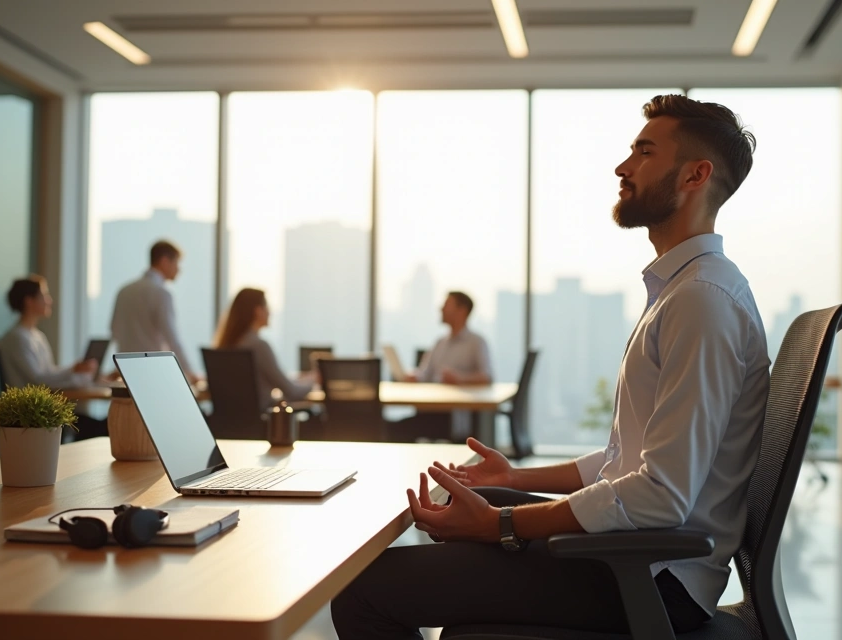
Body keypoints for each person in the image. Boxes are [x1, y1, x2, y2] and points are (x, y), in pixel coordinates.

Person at [332, 94, 770, 638]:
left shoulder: (702, 300)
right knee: (475, 502)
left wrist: (501, 524)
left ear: (694, 175)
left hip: (651, 579)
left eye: (644, 152)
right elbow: (623, 460)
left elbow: (659, 496)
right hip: (633, 557)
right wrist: (514, 480)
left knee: (363, 592)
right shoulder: (682, 290)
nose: (623, 166)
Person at [0, 276, 107, 439]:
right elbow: (39, 380)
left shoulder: (37, 336)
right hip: (32, 416)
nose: (49, 300)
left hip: (44, 411)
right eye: (44, 295)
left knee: (91, 426)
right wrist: (73, 371)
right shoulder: (16, 338)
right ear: (29, 301)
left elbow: (48, 373)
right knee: (95, 428)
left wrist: (78, 372)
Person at [109, 240, 198, 381]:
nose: (179, 269)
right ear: (164, 261)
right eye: (176, 263)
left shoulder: (124, 291)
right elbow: (172, 339)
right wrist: (190, 372)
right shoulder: (161, 294)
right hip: (152, 374)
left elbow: (114, 330)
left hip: (125, 373)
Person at [213, 288, 313, 409]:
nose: (270, 312)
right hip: (263, 422)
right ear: (258, 311)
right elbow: (291, 392)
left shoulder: (225, 346)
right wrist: (314, 380)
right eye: (267, 307)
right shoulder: (258, 346)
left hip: (227, 424)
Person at [405, 291, 492, 385]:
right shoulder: (439, 342)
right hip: (435, 396)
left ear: (462, 310)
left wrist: (460, 379)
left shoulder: (477, 342)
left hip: (461, 398)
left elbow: (487, 377)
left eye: (446, 305)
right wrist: (414, 376)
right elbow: (425, 374)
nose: (441, 309)